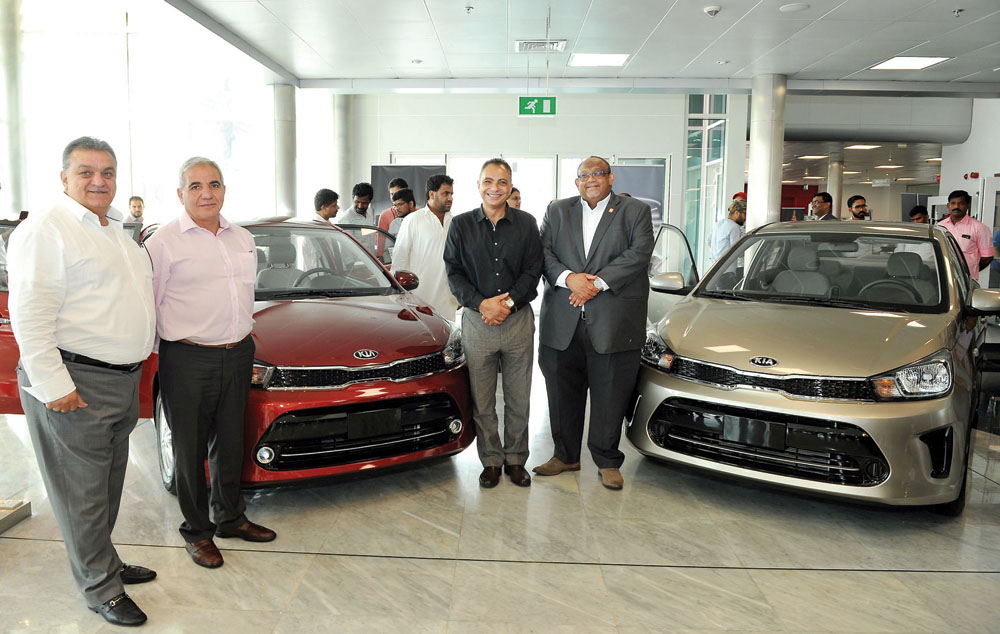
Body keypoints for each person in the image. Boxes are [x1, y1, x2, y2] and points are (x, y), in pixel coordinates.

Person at [7, 136, 157, 626]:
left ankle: (104, 562)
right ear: (63, 178)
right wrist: (55, 387)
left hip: (117, 380)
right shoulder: (46, 229)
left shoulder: (111, 227)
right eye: (87, 172)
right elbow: (29, 314)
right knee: (83, 495)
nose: (100, 181)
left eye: (108, 172)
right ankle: (99, 589)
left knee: (107, 487)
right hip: (76, 381)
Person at [146, 157, 276, 571]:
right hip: (187, 356)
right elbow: (149, 303)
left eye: (214, 184)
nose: (207, 193)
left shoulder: (242, 238)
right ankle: (197, 532)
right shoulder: (163, 243)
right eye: (196, 185)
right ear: (180, 193)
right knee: (189, 448)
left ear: (224, 190)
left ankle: (231, 518)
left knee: (230, 440)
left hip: (238, 352)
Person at [534, 156, 654, 490]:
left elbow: (638, 254)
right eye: (584, 175)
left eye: (598, 173)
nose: (591, 179)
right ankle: (565, 455)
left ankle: (607, 460)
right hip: (563, 321)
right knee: (561, 392)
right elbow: (543, 254)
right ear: (576, 182)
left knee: (610, 393)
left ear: (611, 178)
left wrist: (595, 284)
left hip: (613, 321)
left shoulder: (635, 212)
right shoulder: (557, 211)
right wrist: (570, 278)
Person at [444, 159, 542, 488]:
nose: (495, 187)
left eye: (502, 182)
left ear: (510, 185)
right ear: (478, 185)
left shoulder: (527, 224)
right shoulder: (460, 225)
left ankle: (516, 459)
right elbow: (454, 272)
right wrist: (482, 303)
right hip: (477, 320)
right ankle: (490, 460)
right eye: (489, 181)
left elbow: (534, 270)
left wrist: (508, 303)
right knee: (482, 398)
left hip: (517, 322)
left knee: (518, 397)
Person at [392, 175, 460, 318]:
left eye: (452, 194)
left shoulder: (455, 223)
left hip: (448, 304)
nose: (450, 198)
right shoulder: (413, 220)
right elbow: (399, 260)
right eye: (445, 193)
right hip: (419, 303)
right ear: (432, 193)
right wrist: (399, 298)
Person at [937, 189, 992, 281]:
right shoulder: (939, 226)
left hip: (966, 281)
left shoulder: (980, 228)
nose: (956, 206)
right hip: (942, 278)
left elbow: (987, 257)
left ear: (968, 205)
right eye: (953, 203)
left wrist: (970, 271)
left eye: (961, 203)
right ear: (948, 205)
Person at [707, 198, 746, 266]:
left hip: (713, 267)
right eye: (745, 214)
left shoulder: (718, 223)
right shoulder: (734, 227)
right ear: (737, 213)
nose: (745, 218)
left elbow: (708, 242)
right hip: (727, 270)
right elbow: (736, 251)